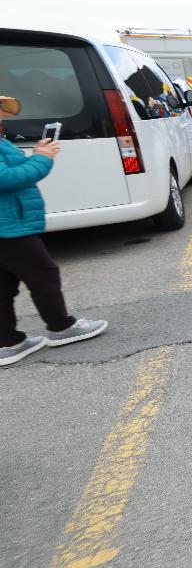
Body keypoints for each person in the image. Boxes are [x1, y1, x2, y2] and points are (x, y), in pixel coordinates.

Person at [0, 95, 107, 366]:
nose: (2, 115)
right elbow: (6, 179)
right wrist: (41, 159)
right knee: (43, 274)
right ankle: (61, 327)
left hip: (9, 223)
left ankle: (8, 342)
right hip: (9, 225)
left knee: (4, 284)